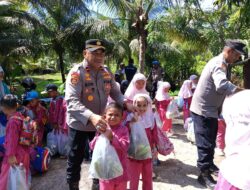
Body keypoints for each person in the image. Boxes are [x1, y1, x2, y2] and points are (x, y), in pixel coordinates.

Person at [65, 39, 133, 190]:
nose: (99, 57)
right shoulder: (77, 73)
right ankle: (73, 186)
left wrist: (126, 103)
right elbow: (72, 101)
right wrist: (92, 116)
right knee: (75, 159)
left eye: (101, 53)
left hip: (101, 123)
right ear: (85, 53)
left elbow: (115, 92)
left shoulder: (106, 71)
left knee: (102, 156)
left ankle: (98, 186)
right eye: (94, 53)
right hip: (80, 124)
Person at [190, 39, 246, 189]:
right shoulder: (219, 64)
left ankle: (209, 164)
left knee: (211, 140)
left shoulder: (224, 63)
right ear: (230, 51)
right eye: (237, 55)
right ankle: (203, 174)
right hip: (203, 110)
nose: (237, 59)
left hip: (211, 110)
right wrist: (242, 91)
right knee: (205, 143)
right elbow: (221, 85)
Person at [215, 90, 250, 190]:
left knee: (221, 134)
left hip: (230, 172)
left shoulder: (231, 98)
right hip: (239, 174)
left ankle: (219, 147)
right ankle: (219, 147)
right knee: (220, 134)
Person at [90, 103, 130, 190]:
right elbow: (92, 147)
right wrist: (98, 136)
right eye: (110, 114)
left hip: (121, 172)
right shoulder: (102, 129)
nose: (113, 117)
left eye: (117, 115)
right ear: (105, 116)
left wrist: (112, 138)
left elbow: (125, 146)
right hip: (105, 172)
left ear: (122, 117)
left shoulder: (124, 130)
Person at [0, 95, 30, 190]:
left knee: (6, 175)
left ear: (4, 107)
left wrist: (11, 155)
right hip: (24, 151)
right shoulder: (19, 116)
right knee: (21, 174)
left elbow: (12, 140)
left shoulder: (12, 121)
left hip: (16, 154)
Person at [128, 94, 155, 190]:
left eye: (144, 105)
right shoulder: (130, 117)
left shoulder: (151, 118)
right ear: (133, 104)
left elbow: (154, 134)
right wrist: (131, 122)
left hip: (147, 153)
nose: (142, 108)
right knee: (134, 177)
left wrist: (154, 148)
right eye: (138, 105)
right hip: (134, 154)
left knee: (147, 175)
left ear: (148, 105)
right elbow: (125, 132)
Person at [44, 84, 68, 156]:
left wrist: (58, 123)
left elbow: (60, 113)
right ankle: (56, 150)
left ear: (54, 92)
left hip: (60, 124)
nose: (48, 94)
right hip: (56, 125)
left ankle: (64, 152)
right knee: (57, 138)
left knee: (62, 139)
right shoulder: (53, 100)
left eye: (49, 92)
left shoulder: (60, 100)